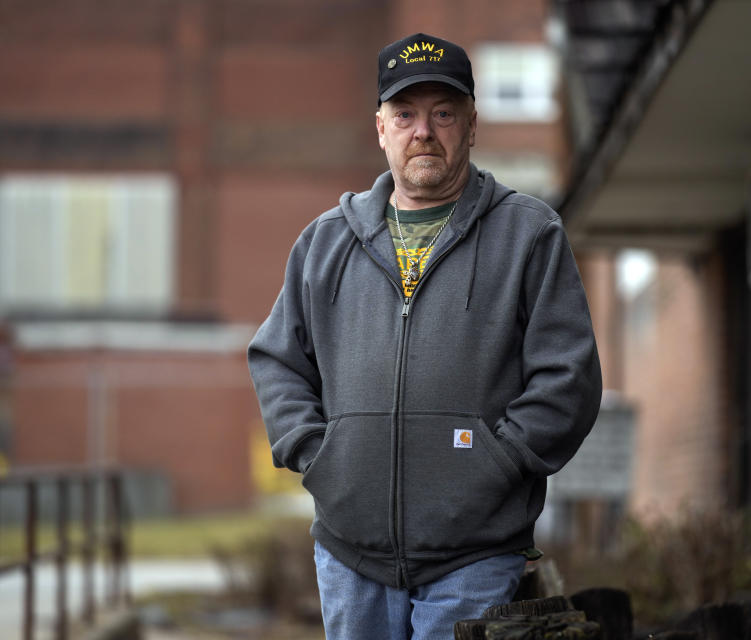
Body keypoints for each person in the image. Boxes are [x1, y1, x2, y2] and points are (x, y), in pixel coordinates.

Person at [248, 32, 602, 640]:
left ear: (470, 125)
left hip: (477, 550)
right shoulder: (324, 242)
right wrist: (319, 453)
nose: (424, 131)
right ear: (380, 128)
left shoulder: (528, 234)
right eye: (405, 114)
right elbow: (277, 359)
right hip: (350, 551)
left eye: (443, 113)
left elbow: (567, 378)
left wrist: (499, 462)